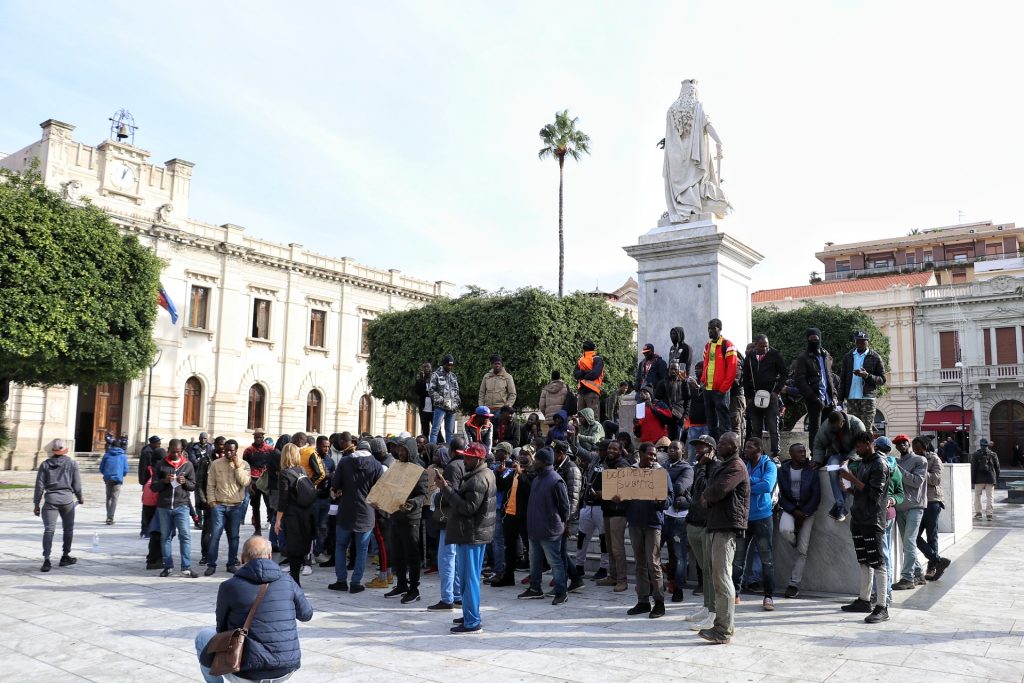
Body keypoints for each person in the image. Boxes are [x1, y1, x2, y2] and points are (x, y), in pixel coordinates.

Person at [195, 536, 313, 683]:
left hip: (245, 671)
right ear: (270, 557)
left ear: (243, 558)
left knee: (204, 636)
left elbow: (222, 629)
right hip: (285, 668)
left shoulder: (229, 586)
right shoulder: (288, 581)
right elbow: (306, 615)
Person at [434, 442, 497, 634]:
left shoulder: (478, 479)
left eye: (468, 457)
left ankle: (472, 622)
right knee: (468, 578)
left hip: (471, 535)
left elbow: (467, 508)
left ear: (478, 459)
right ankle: (470, 614)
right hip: (474, 534)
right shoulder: (484, 474)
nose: (464, 460)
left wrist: (446, 488)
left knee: (469, 580)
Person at [699, 432, 749, 645]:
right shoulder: (723, 465)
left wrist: (706, 497)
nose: (718, 445)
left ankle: (724, 630)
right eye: (718, 442)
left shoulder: (736, 466)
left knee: (722, 577)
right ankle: (720, 624)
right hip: (716, 524)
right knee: (717, 577)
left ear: (734, 446)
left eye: (723, 443)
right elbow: (708, 489)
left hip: (726, 526)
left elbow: (718, 491)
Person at [838, 433, 892, 624]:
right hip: (859, 516)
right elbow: (861, 491)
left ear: (869, 444)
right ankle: (864, 599)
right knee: (864, 560)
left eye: (859, 447)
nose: (857, 451)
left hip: (873, 519)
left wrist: (850, 478)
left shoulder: (880, 464)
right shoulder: (863, 463)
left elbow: (875, 495)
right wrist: (847, 487)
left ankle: (882, 606)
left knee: (877, 561)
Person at [328, 439, 384, 594]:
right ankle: (355, 583)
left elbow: (335, 484)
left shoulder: (345, 462)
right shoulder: (376, 465)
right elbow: (380, 490)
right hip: (366, 512)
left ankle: (341, 581)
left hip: (346, 511)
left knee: (340, 546)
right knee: (362, 549)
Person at [625, 442, 673, 618]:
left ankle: (659, 602)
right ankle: (643, 601)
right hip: (635, 522)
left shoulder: (661, 474)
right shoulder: (630, 472)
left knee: (653, 563)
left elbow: (670, 499)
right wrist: (618, 498)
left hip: (653, 523)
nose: (653, 457)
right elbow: (624, 495)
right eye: (650, 454)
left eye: (655, 455)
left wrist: (660, 501)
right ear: (640, 454)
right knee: (639, 564)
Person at [518, 446, 571, 605]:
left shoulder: (556, 480)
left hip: (550, 530)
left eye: (537, 460)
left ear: (544, 462)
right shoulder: (537, 478)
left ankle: (562, 592)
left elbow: (565, 507)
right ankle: (535, 588)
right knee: (534, 563)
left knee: (556, 563)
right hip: (535, 529)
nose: (534, 462)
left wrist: (564, 525)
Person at [732, 437, 778, 612]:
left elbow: (767, 486)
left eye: (750, 447)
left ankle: (768, 596)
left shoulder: (769, 465)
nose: (746, 449)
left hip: (763, 518)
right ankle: (735, 593)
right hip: (743, 517)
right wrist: (751, 483)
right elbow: (736, 485)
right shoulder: (744, 464)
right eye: (746, 447)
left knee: (767, 560)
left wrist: (746, 483)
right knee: (738, 559)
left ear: (759, 449)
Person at [383, 437, 429, 604]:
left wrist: (412, 503)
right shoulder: (397, 467)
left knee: (412, 554)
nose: (400, 453)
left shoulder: (419, 470)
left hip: (411, 518)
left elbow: (423, 494)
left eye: (404, 451)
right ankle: (401, 584)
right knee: (397, 553)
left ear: (411, 451)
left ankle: (414, 589)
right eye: (399, 450)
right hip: (396, 515)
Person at [777, 443, 820, 598]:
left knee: (802, 550)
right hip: (790, 509)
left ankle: (793, 584)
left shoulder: (812, 470)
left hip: (807, 511)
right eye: (799, 452)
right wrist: (794, 511)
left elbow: (816, 495)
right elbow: (780, 494)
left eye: (804, 451)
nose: (803, 454)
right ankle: (794, 537)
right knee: (784, 530)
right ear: (791, 454)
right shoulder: (782, 471)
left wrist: (804, 513)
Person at [429, 435, 468, 609]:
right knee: (456, 558)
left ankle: (447, 598)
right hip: (463, 517)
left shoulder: (452, 466)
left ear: (451, 451)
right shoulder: (468, 464)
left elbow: (450, 493)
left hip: (450, 518)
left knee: (446, 558)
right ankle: (457, 595)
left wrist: (438, 492)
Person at [33, 439, 83, 572]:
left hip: (50, 500)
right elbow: (77, 485)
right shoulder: (72, 464)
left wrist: (36, 504)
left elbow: (39, 486)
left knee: (49, 530)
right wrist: (80, 497)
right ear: (66, 450)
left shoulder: (45, 464)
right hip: (67, 501)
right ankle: (65, 556)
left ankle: (47, 560)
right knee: (68, 529)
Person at [152, 438, 199, 578]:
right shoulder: (161, 464)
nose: (177, 455)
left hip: (182, 506)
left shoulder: (188, 465)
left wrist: (185, 483)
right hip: (164, 506)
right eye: (174, 452)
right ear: (168, 450)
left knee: (185, 536)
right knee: (165, 537)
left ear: (182, 451)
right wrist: (164, 481)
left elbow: (193, 486)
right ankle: (168, 566)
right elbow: (153, 487)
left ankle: (186, 567)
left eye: (179, 452)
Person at [205, 439, 252, 577]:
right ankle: (211, 564)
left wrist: (237, 467)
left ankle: (231, 563)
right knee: (215, 535)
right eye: (226, 450)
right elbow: (210, 484)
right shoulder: (215, 464)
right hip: (219, 505)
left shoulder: (244, 464)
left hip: (236, 506)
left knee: (234, 537)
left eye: (231, 450)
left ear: (236, 450)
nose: (229, 452)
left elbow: (245, 482)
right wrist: (212, 501)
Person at [685, 435, 718, 631]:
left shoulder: (716, 468)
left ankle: (714, 612)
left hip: (709, 525)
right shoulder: (697, 467)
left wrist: (706, 466)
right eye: (696, 447)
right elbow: (694, 494)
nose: (698, 450)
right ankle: (707, 607)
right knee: (704, 570)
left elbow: (708, 491)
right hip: (694, 522)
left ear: (712, 449)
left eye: (702, 447)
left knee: (711, 570)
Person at [490, 445, 534, 587]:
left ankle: (535, 576)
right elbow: (501, 485)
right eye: (521, 454)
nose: (522, 456)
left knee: (531, 546)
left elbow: (530, 490)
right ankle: (508, 576)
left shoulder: (534, 472)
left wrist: (521, 474)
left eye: (526, 454)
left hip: (525, 516)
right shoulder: (514, 470)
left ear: (532, 456)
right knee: (509, 546)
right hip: (510, 513)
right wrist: (499, 472)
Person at [812, 409, 867, 522]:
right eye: (833, 428)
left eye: (837, 427)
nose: (835, 430)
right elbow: (818, 444)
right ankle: (840, 503)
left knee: (848, 471)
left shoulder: (857, 424)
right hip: (837, 454)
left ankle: (841, 507)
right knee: (832, 468)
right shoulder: (826, 426)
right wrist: (817, 460)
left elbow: (862, 445)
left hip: (855, 454)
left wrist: (850, 459)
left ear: (843, 422)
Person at [908, 436, 951, 581]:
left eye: (917, 447)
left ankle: (932, 568)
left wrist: (920, 472)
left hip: (933, 501)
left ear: (924, 447)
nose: (915, 450)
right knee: (914, 536)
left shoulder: (934, 459)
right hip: (918, 501)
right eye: (913, 447)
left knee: (932, 535)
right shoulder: (913, 459)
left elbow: (936, 479)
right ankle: (937, 560)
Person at [892, 433, 928, 590]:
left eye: (903, 443)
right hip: (900, 508)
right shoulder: (897, 461)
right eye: (898, 444)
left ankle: (907, 578)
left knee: (909, 542)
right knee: (907, 544)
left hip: (915, 507)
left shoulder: (920, 460)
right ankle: (919, 574)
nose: (901, 446)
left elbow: (916, 482)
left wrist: (897, 469)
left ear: (909, 443)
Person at [741, 334, 787, 458]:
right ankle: (756, 453)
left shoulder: (775, 355)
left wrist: (776, 391)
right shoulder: (750, 357)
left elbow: (784, 373)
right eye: (762, 347)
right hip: (755, 396)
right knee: (756, 428)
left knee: (773, 426)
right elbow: (745, 376)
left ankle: (775, 453)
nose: (765, 349)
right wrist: (748, 395)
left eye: (766, 346)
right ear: (755, 345)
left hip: (771, 396)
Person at [793, 328, 837, 450]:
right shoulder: (803, 358)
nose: (814, 341)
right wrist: (812, 397)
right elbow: (800, 380)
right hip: (814, 398)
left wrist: (834, 395)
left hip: (829, 398)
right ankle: (815, 455)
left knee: (830, 428)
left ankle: (829, 453)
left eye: (816, 339)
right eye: (811, 340)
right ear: (807, 340)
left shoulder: (826, 355)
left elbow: (830, 376)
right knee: (815, 429)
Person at [596, 440, 631, 592]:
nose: (610, 451)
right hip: (607, 510)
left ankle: (622, 580)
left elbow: (622, 488)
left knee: (617, 548)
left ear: (620, 450)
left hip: (619, 511)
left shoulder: (623, 465)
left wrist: (603, 494)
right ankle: (613, 576)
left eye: (614, 449)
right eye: (609, 448)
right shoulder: (604, 463)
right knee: (610, 547)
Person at [663, 439, 693, 602]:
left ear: (683, 452)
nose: (672, 450)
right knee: (656, 553)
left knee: (679, 556)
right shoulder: (664, 466)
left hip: (678, 518)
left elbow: (679, 488)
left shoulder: (687, 468)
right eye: (670, 448)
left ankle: (679, 589)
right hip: (663, 515)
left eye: (676, 448)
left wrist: (661, 487)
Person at [838, 331, 886, 434]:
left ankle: (868, 449)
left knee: (867, 429)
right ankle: (855, 450)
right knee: (853, 428)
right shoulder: (848, 356)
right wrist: (840, 399)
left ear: (867, 342)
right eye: (858, 341)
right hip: (852, 398)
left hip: (867, 398)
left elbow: (882, 379)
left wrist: (867, 376)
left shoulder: (875, 357)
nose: (860, 343)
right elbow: (843, 379)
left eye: (862, 341)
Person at [552, 440, 584, 593]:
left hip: (566, 518)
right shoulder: (558, 466)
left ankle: (565, 583)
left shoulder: (572, 469)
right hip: (557, 516)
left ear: (561, 454)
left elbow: (573, 498)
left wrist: (567, 521)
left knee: (560, 551)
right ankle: (575, 578)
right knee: (559, 551)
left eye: (554, 453)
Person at [576, 440, 610, 581]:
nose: (599, 452)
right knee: (582, 537)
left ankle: (603, 568)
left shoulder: (613, 464)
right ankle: (579, 566)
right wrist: (574, 437)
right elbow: (579, 450)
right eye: (598, 449)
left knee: (603, 539)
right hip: (588, 505)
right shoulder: (595, 458)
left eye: (601, 449)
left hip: (601, 507)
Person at [700, 319, 738, 440]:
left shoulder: (727, 345)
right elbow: (705, 365)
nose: (710, 331)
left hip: (720, 390)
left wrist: (723, 389)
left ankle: (725, 450)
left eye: (713, 329)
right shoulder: (707, 346)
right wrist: (703, 381)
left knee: (724, 423)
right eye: (709, 329)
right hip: (708, 389)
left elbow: (732, 370)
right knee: (711, 423)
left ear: (719, 329)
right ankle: (713, 449)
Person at [243, 429, 276, 536]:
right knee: (255, 506)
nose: (259, 439)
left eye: (261, 437)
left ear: (263, 437)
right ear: (254, 438)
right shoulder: (248, 451)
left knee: (270, 505)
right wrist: (249, 484)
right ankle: (257, 528)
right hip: (253, 480)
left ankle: (272, 526)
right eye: (257, 437)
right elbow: (245, 468)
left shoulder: (270, 450)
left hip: (266, 481)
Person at [655, 362, 691, 441]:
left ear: (679, 370)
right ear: (669, 369)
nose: (673, 371)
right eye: (671, 369)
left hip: (679, 417)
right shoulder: (662, 382)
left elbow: (687, 399)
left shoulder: (683, 383)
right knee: (667, 442)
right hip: (666, 418)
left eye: (675, 369)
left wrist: (685, 416)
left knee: (678, 442)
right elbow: (657, 399)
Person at [99, 439, 129, 525]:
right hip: (118, 478)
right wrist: (121, 474)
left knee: (108, 497)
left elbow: (101, 468)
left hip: (108, 478)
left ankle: (108, 516)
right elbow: (126, 469)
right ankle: (111, 517)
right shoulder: (123, 456)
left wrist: (106, 474)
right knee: (114, 498)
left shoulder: (106, 455)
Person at [971, 438, 1000, 520]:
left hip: (978, 479)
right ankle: (989, 514)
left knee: (977, 496)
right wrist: (996, 478)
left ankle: (978, 513)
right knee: (990, 496)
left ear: (980, 445)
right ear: (987, 445)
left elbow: (973, 468)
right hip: (990, 478)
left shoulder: (975, 454)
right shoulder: (993, 454)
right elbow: (997, 468)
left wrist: (972, 480)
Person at [573, 340, 605, 413]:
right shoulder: (597, 359)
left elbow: (594, 374)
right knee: (593, 417)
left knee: (582, 417)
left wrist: (582, 374)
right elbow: (594, 374)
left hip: (585, 391)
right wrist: (587, 373)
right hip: (592, 391)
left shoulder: (581, 360)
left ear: (583, 349)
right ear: (594, 349)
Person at [686, 361, 709, 462]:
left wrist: (698, 388)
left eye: (699, 368)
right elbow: (686, 397)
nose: (696, 371)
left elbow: (704, 398)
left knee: (706, 450)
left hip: (706, 422)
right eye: (695, 368)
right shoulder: (692, 383)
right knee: (692, 452)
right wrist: (684, 384)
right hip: (694, 423)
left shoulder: (707, 383)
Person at [414, 361, 434, 438]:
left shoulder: (434, 380)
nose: (426, 369)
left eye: (427, 367)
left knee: (436, 430)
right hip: (424, 409)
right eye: (424, 367)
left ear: (431, 369)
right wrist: (422, 380)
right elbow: (418, 392)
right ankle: (425, 446)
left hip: (433, 409)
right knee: (425, 430)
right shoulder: (420, 380)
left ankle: (440, 444)